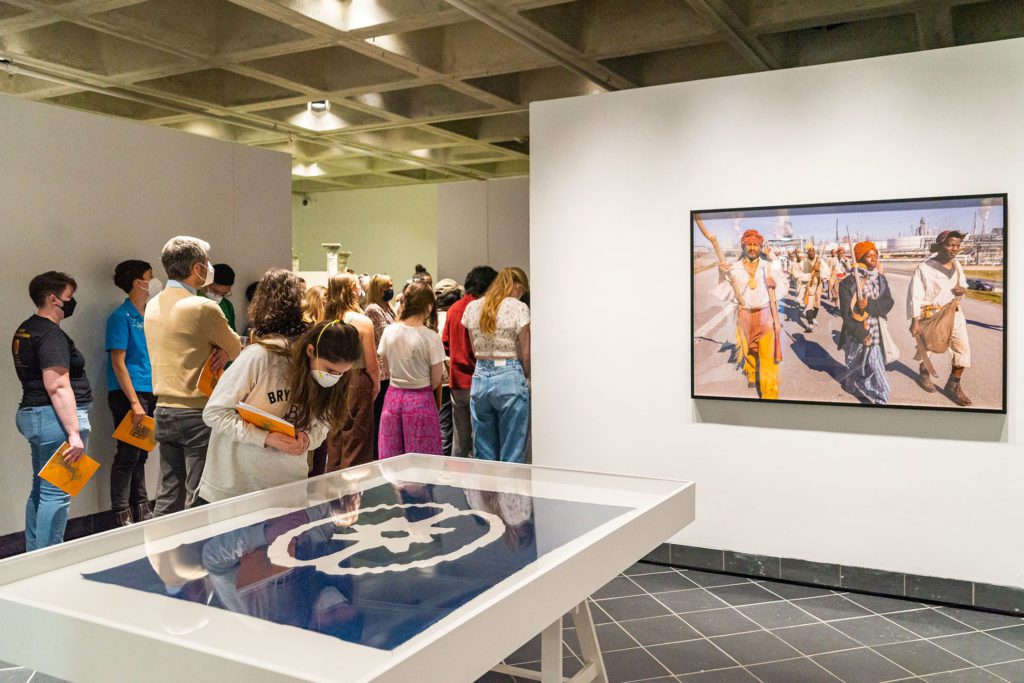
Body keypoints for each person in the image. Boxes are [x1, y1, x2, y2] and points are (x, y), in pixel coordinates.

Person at [199, 271, 362, 502]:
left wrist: (307, 438)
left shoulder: (327, 363)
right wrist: (265, 437)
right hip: (239, 487)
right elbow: (214, 413)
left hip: (288, 486)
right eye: (329, 370)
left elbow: (323, 422)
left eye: (341, 373)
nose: (333, 376)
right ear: (309, 352)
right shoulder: (260, 357)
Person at [145, 236, 242, 515]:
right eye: (207, 263)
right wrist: (222, 350)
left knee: (167, 492)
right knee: (198, 492)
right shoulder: (203, 307)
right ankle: (195, 556)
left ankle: (163, 555)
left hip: (163, 409)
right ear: (198, 268)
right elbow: (235, 346)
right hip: (197, 410)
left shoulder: (153, 304)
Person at [12, 271, 92, 550]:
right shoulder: (50, 334)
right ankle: (48, 562)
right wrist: (74, 433)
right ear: (52, 299)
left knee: (41, 490)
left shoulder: (26, 329)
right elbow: (57, 386)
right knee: (57, 494)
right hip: (55, 420)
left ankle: (34, 557)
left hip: (34, 416)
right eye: (68, 298)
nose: (71, 303)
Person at [106, 260, 161, 527]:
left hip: (149, 392)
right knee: (127, 453)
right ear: (139, 282)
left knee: (142, 452)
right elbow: (119, 362)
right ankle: (120, 511)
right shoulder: (120, 317)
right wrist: (135, 402)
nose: (154, 281)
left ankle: (141, 505)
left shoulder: (149, 316)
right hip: (129, 394)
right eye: (151, 276)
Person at [462, 268, 531, 463]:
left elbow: (474, 347)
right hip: (509, 374)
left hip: (480, 376)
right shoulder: (518, 307)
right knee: (513, 450)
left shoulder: (473, 307)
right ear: (517, 287)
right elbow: (525, 351)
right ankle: (510, 494)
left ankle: (488, 493)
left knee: (484, 452)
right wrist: (527, 378)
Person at [376, 281, 446, 458]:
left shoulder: (390, 331)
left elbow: (384, 363)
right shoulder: (431, 337)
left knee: (392, 455)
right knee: (421, 459)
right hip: (421, 399)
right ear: (429, 306)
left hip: (392, 397)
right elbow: (437, 379)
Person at [712, 230, 783, 400]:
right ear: (743, 246)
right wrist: (722, 274)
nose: (752, 248)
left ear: (760, 247)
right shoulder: (733, 268)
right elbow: (723, 291)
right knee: (749, 351)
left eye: (755, 245)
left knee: (769, 361)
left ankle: (770, 398)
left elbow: (783, 285)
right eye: (749, 244)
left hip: (766, 316)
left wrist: (775, 284)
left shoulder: (768, 267)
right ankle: (751, 373)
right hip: (744, 316)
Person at [908, 230, 973, 406]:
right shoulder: (924, 267)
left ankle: (953, 385)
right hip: (932, 313)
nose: (955, 248)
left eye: (957, 245)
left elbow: (964, 283)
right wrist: (914, 320)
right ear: (940, 246)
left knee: (963, 349)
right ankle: (924, 374)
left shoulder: (957, 265)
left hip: (954, 312)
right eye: (950, 244)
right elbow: (915, 295)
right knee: (927, 348)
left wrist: (962, 289)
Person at [324, 272, 380, 470]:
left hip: (329, 380)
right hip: (356, 380)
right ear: (350, 291)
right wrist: (376, 383)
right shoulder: (362, 321)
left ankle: (332, 495)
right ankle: (352, 496)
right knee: (356, 441)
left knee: (334, 440)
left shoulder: (326, 320)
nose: (360, 289)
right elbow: (372, 364)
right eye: (356, 285)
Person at [443, 266, 497, 458]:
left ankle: (456, 483)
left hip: (457, 382)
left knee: (460, 438)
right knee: (481, 439)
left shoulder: (453, 309)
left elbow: (446, 344)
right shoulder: (481, 309)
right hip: (478, 379)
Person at [837, 242, 895, 405]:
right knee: (853, 361)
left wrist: (870, 305)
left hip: (875, 330)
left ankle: (881, 399)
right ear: (860, 258)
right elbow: (846, 314)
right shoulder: (847, 283)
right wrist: (862, 334)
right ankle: (849, 383)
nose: (873, 259)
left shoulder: (881, 279)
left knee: (876, 365)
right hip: (855, 331)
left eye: (875, 256)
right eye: (869, 256)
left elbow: (889, 302)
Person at [363, 274, 396, 457]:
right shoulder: (373, 309)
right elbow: (385, 333)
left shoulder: (388, 308)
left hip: (390, 366)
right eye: (386, 287)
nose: (390, 290)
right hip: (381, 367)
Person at [433, 279, 462, 456]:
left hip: (435, 378)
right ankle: (443, 470)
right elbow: (447, 351)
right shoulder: (449, 318)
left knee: (442, 425)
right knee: (447, 427)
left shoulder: (432, 318)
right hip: (447, 378)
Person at [795, 245, 829, 329]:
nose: (811, 252)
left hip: (818, 284)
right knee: (808, 304)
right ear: (807, 253)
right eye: (809, 251)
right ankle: (810, 323)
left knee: (817, 304)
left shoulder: (819, 260)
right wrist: (809, 275)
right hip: (808, 285)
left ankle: (813, 318)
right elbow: (798, 274)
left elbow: (826, 270)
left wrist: (819, 271)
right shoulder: (804, 262)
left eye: (813, 251)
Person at [204, 263, 237, 332]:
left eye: (224, 294)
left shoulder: (228, 306)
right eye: (215, 291)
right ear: (207, 283)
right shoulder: (193, 300)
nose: (218, 296)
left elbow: (232, 334)